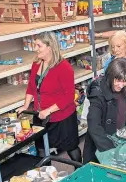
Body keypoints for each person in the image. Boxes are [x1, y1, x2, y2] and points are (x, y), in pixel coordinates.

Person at [17, 32, 81, 162]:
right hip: (40, 115)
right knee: (40, 148)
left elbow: (68, 97)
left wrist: (48, 110)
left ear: (50, 47)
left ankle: (80, 171)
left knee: (71, 148)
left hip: (62, 117)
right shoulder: (36, 64)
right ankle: (46, 178)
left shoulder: (64, 67)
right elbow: (31, 86)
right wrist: (25, 105)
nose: (35, 49)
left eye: (39, 46)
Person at [83, 58, 126, 163]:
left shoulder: (122, 87)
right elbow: (94, 126)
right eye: (118, 80)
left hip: (119, 140)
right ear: (110, 76)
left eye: (124, 81)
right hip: (102, 149)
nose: (121, 85)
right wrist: (112, 151)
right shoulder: (98, 94)